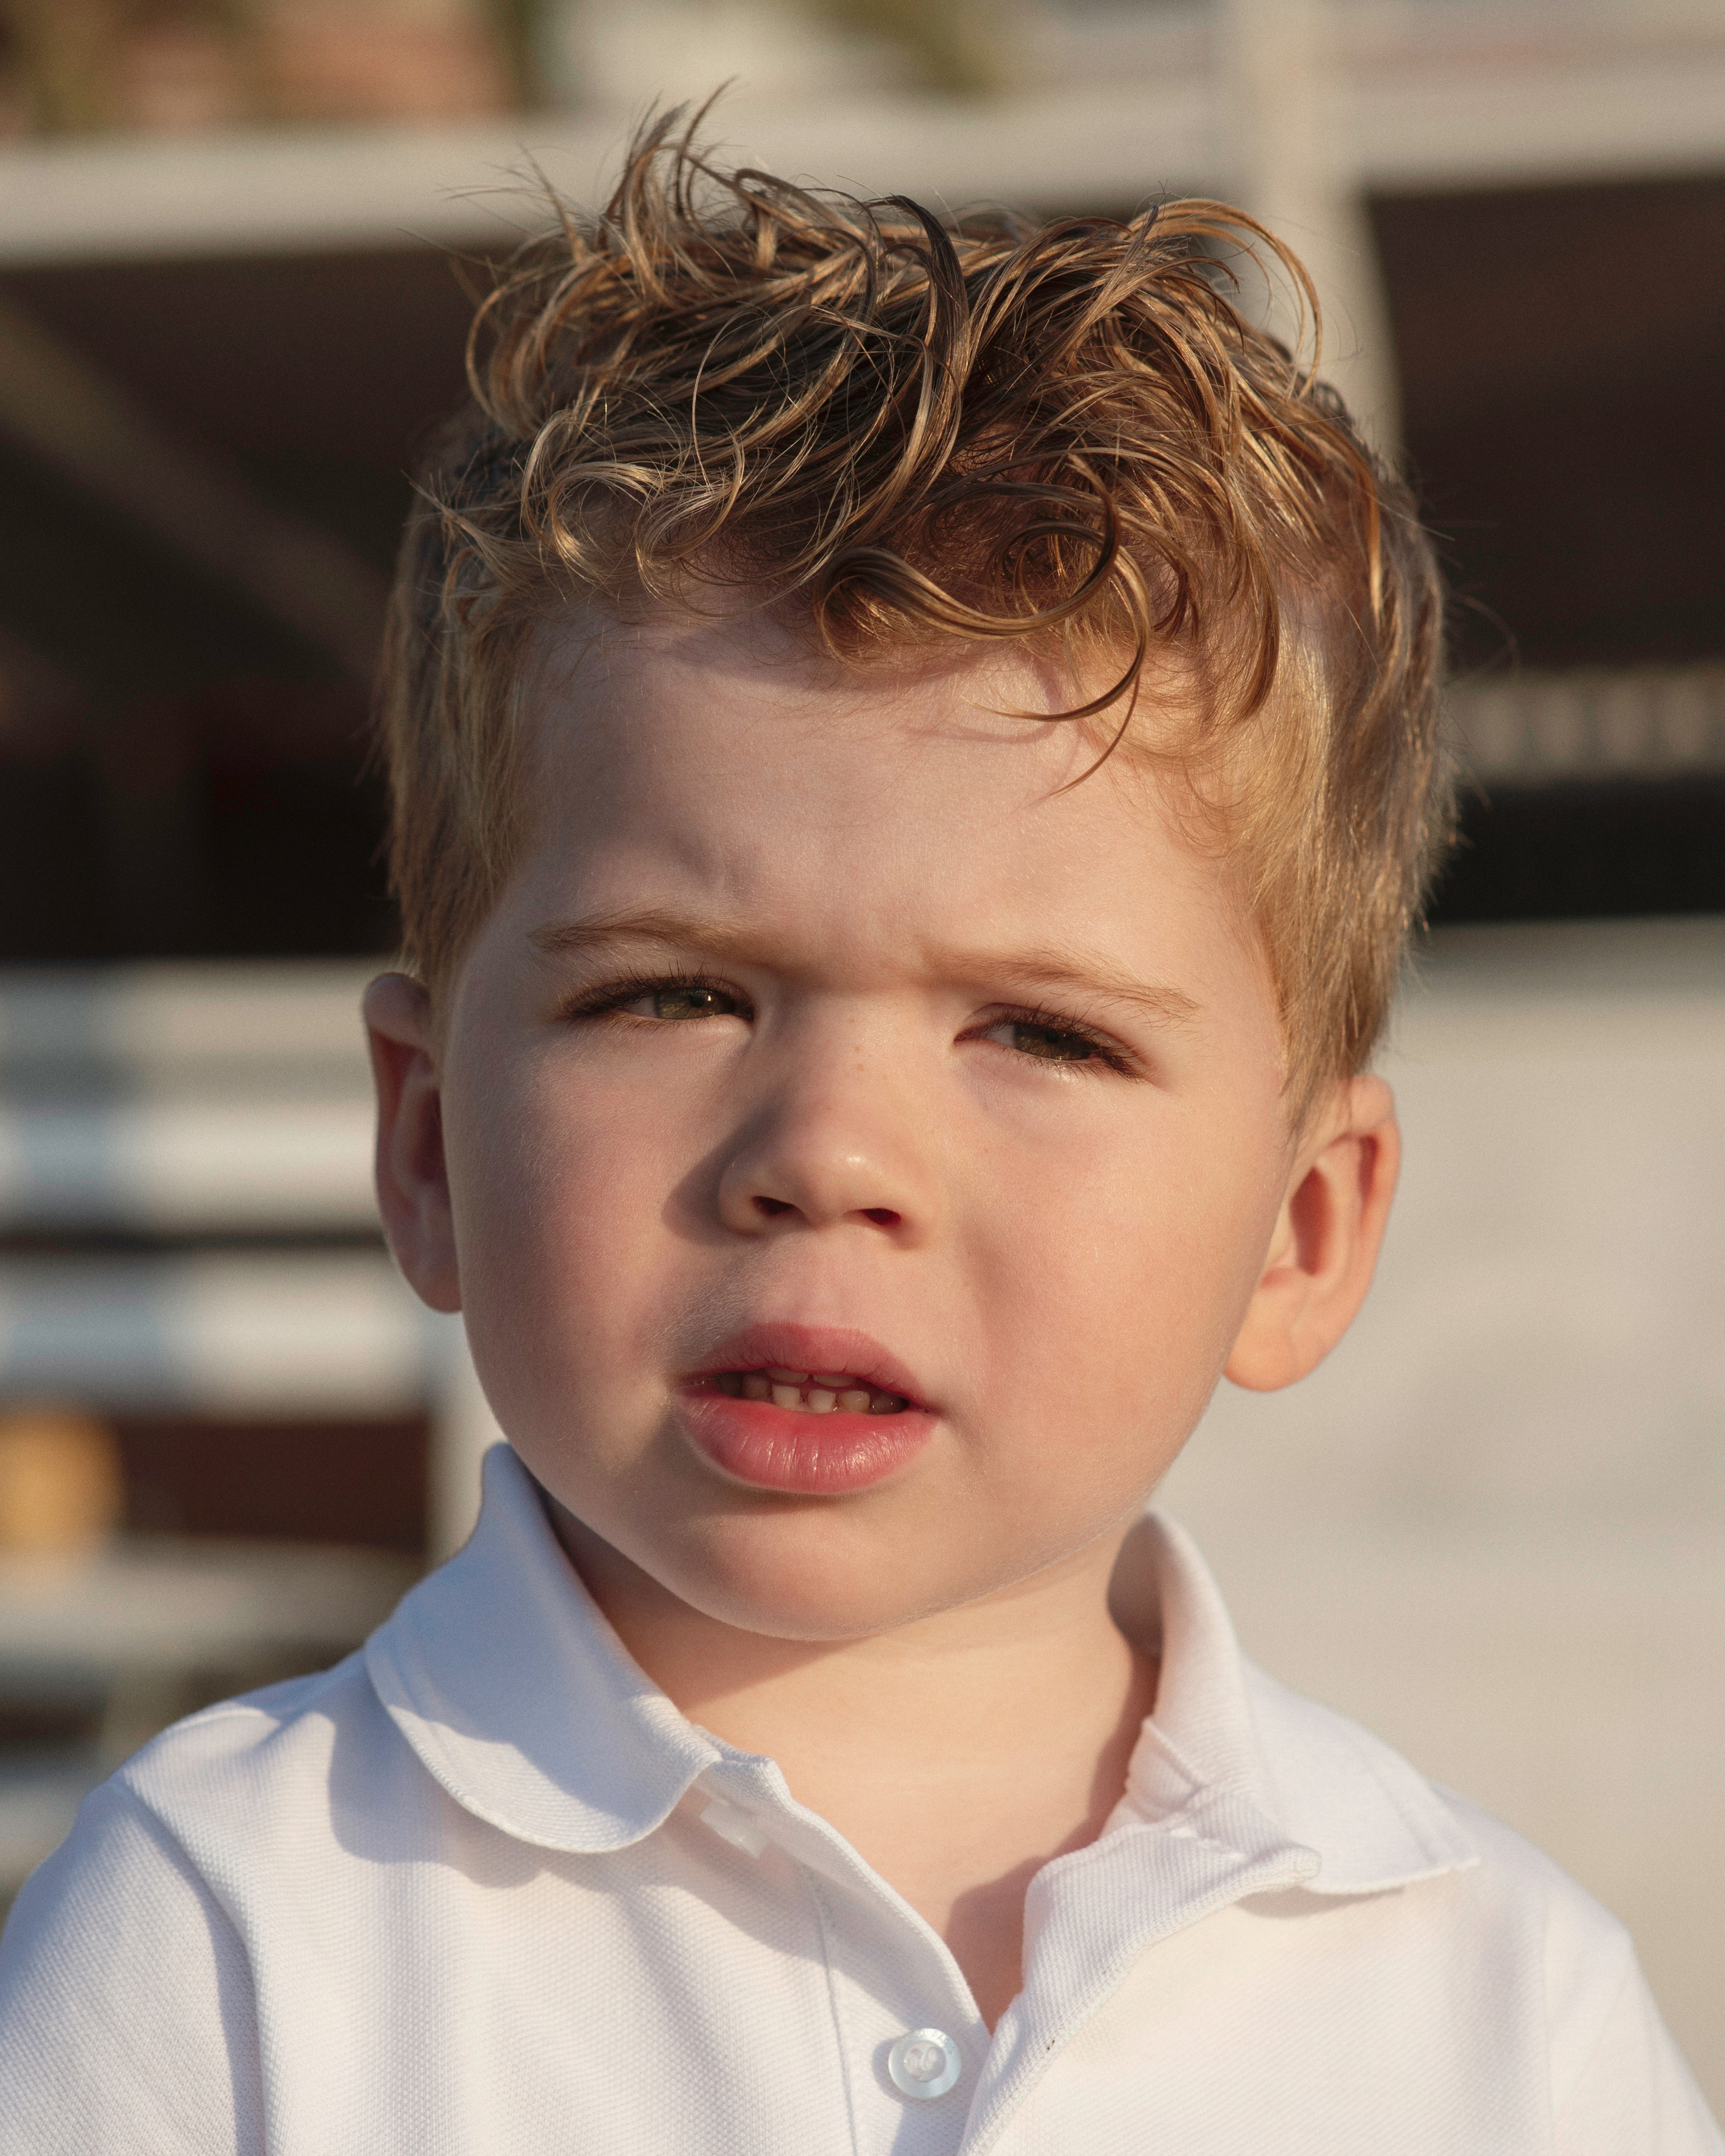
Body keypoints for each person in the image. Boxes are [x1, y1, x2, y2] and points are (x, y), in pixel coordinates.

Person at [1, 115, 1717, 2155]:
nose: (828, 1151)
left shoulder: (1490, 2008)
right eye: (674, 994)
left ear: (1304, 1230)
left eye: (1042, 1034)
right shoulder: (227, 1933)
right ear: (431, 1143)